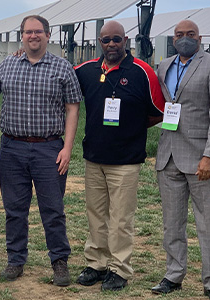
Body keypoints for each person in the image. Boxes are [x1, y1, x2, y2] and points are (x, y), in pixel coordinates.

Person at [0, 15, 82, 286]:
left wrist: (67, 148)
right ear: (22, 36)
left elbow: (73, 107)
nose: (33, 36)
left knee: (52, 208)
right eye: (28, 32)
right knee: (15, 209)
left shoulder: (63, 68)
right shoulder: (8, 64)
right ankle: (15, 260)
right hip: (12, 147)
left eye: (38, 31)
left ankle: (59, 262)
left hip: (48, 148)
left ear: (48, 35)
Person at [73, 21, 165, 291]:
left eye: (116, 39)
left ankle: (119, 268)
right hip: (94, 157)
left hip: (126, 160)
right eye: (106, 40)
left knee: (121, 218)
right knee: (96, 215)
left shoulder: (142, 72)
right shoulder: (86, 71)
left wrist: (133, 128)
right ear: (99, 43)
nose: (111, 44)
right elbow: (58, 75)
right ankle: (97, 263)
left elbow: (158, 111)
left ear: (125, 40)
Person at [151, 20, 210, 300]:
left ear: (200, 38)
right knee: (171, 224)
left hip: (202, 159)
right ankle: (173, 275)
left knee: (208, 224)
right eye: (178, 35)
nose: (184, 39)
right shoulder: (164, 66)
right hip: (169, 156)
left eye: (190, 35)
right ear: (172, 39)